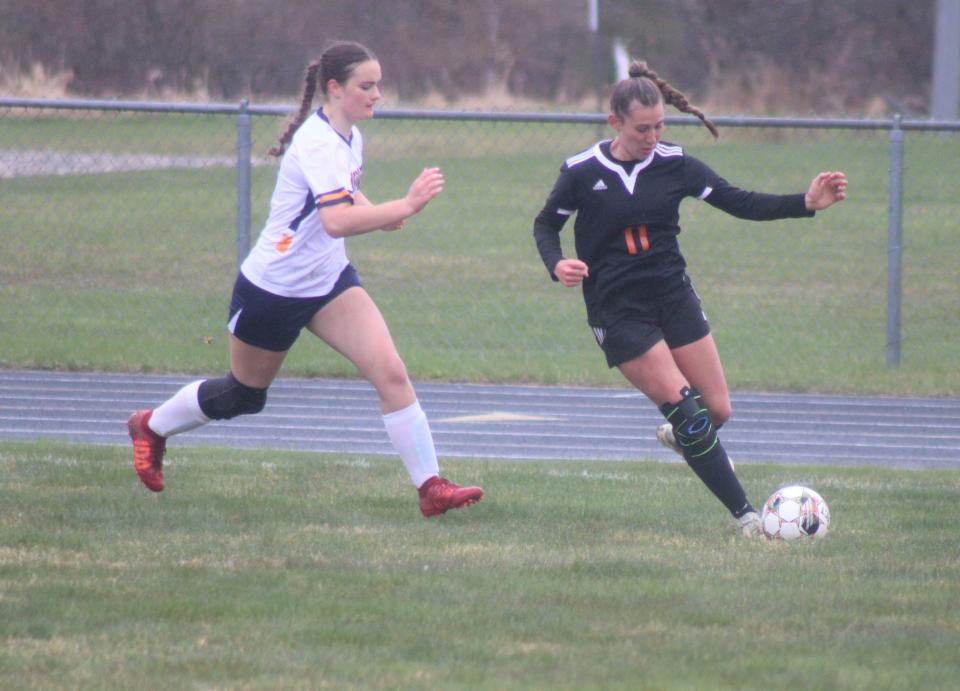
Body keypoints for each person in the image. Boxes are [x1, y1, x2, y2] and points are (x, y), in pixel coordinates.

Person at [127, 40, 482, 518]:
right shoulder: (316, 142)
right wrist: (406, 206)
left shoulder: (350, 135)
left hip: (329, 280)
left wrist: (375, 211)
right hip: (275, 288)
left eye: (378, 84)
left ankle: (430, 488)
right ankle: (151, 425)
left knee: (391, 373)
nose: (377, 94)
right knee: (243, 395)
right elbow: (335, 221)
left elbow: (345, 194)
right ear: (334, 88)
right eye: (366, 85)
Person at [532, 61, 847, 537]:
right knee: (688, 411)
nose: (652, 136)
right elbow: (545, 225)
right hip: (618, 309)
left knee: (717, 411)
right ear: (615, 122)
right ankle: (749, 520)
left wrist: (804, 204)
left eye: (659, 125)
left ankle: (689, 439)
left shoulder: (676, 165)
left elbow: (739, 201)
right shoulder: (581, 171)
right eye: (642, 128)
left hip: (672, 295)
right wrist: (557, 264)